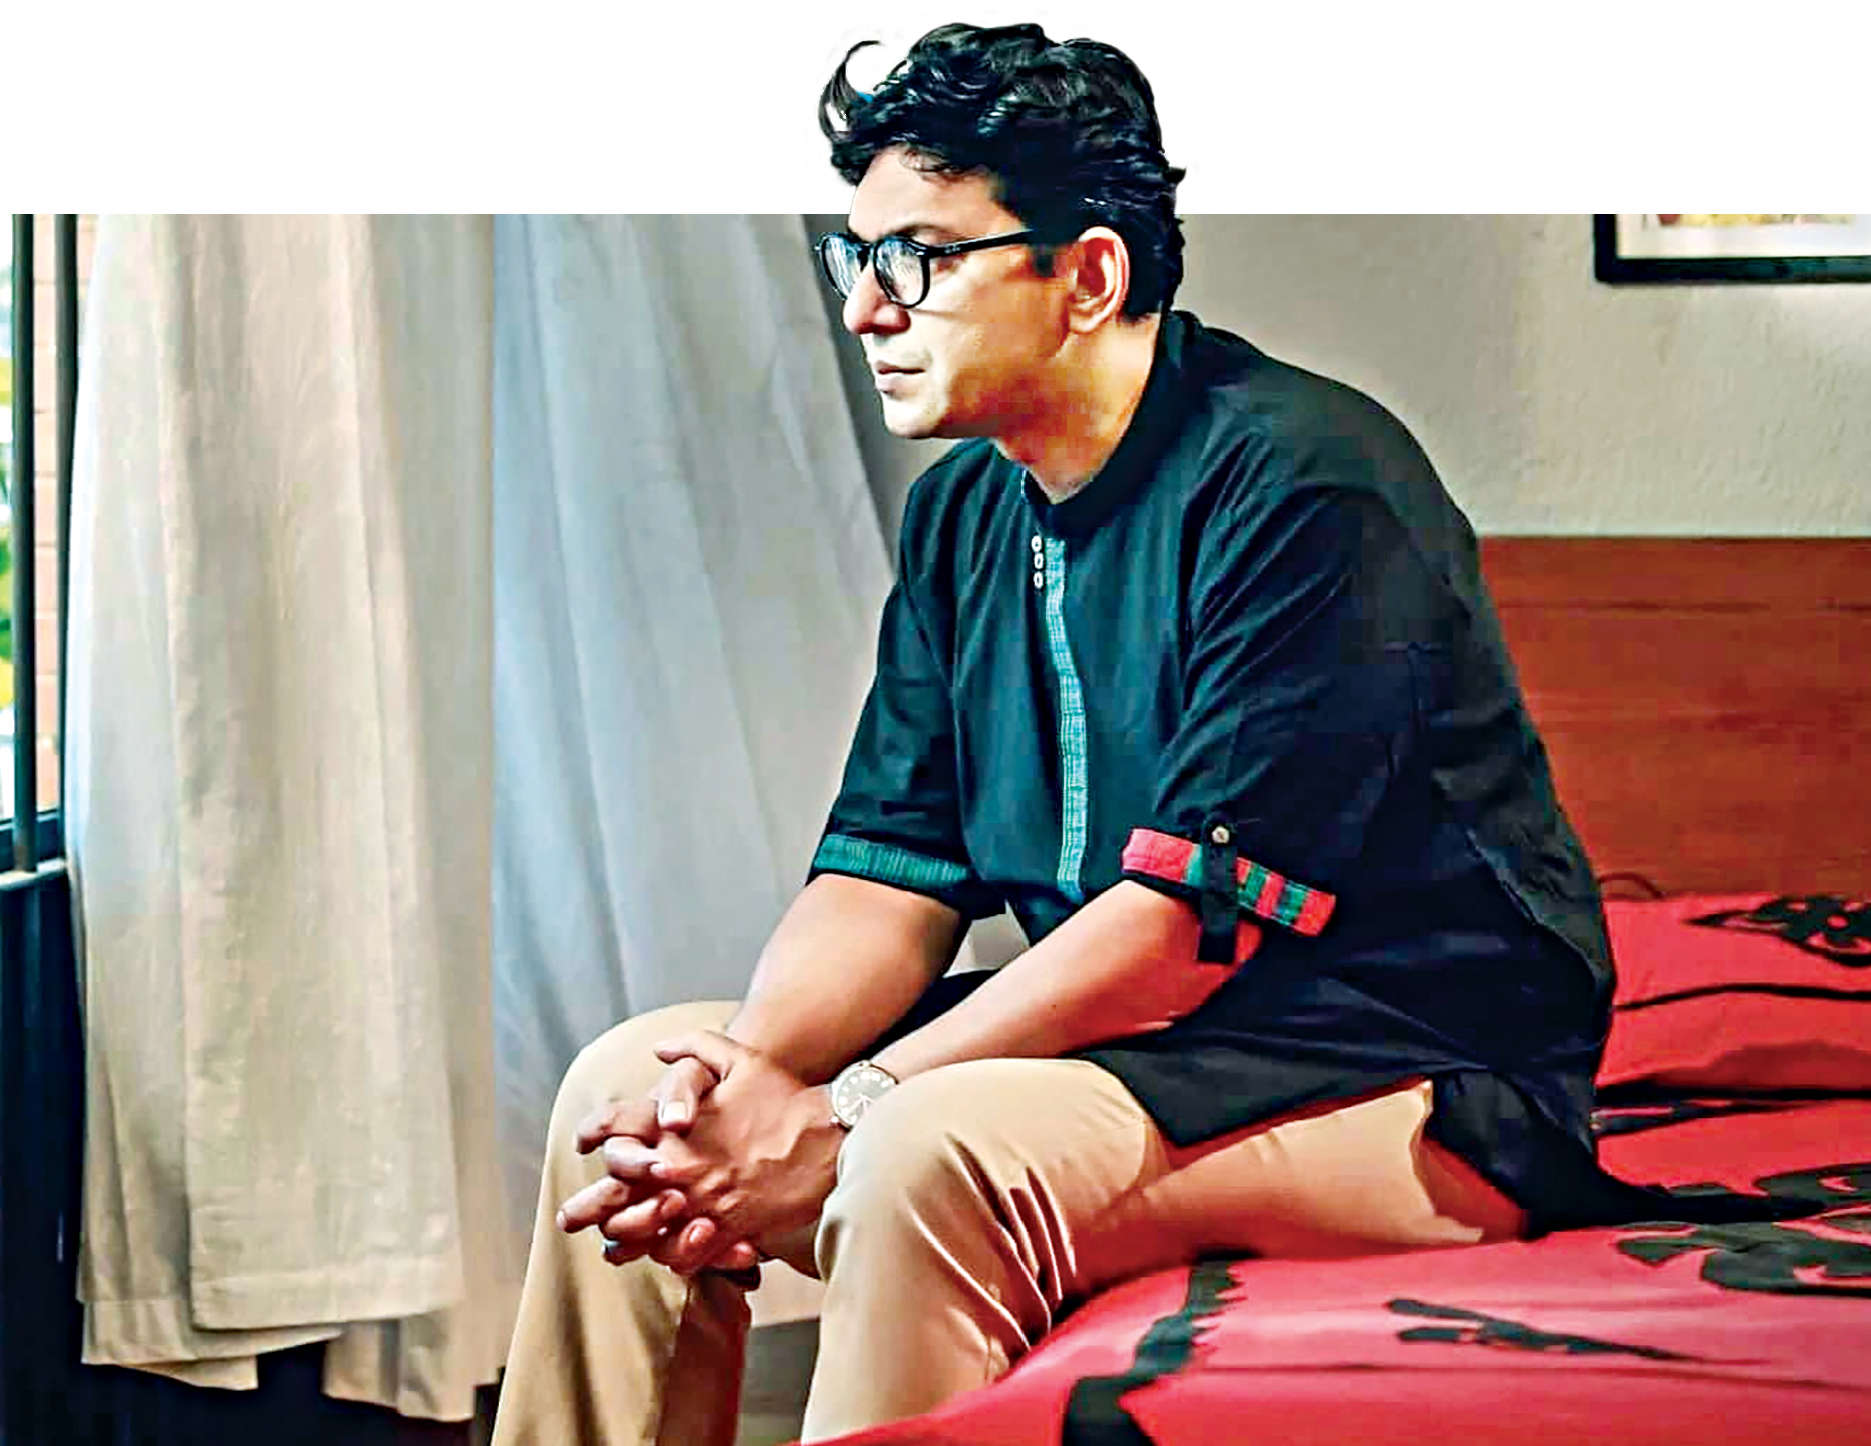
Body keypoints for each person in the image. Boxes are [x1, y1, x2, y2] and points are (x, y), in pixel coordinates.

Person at [490, 22, 1628, 1445]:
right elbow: (887, 879)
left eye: (918, 258)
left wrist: (850, 1103)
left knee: (922, 1147)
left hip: (1411, 1083)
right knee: (628, 1089)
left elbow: (1178, 936)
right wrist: (738, 1088)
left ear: (1087, 276)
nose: (867, 311)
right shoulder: (965, 515)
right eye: (855, 259)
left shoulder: (1307, 485)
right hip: (1143, 1058)